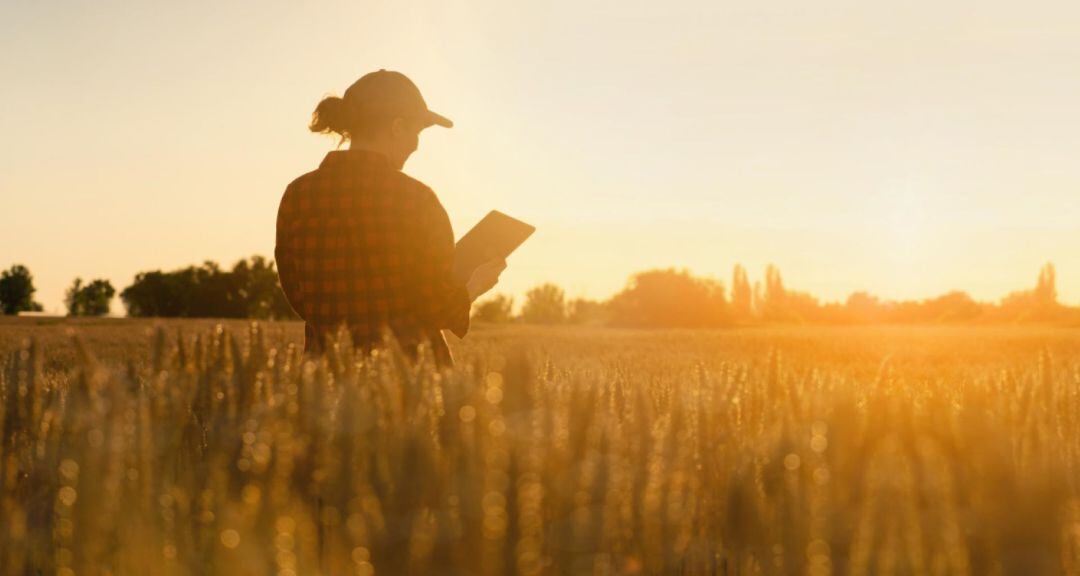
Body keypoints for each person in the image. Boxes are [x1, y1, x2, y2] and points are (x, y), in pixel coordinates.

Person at [275, 69, 506, 365]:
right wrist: (474, 286)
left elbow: (299, 296)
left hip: (325, 381)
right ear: (397, 127)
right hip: (410, 381)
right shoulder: (416, 200)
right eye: (417, 132)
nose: (416, 145)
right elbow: (438, 306)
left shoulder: (297, 195)